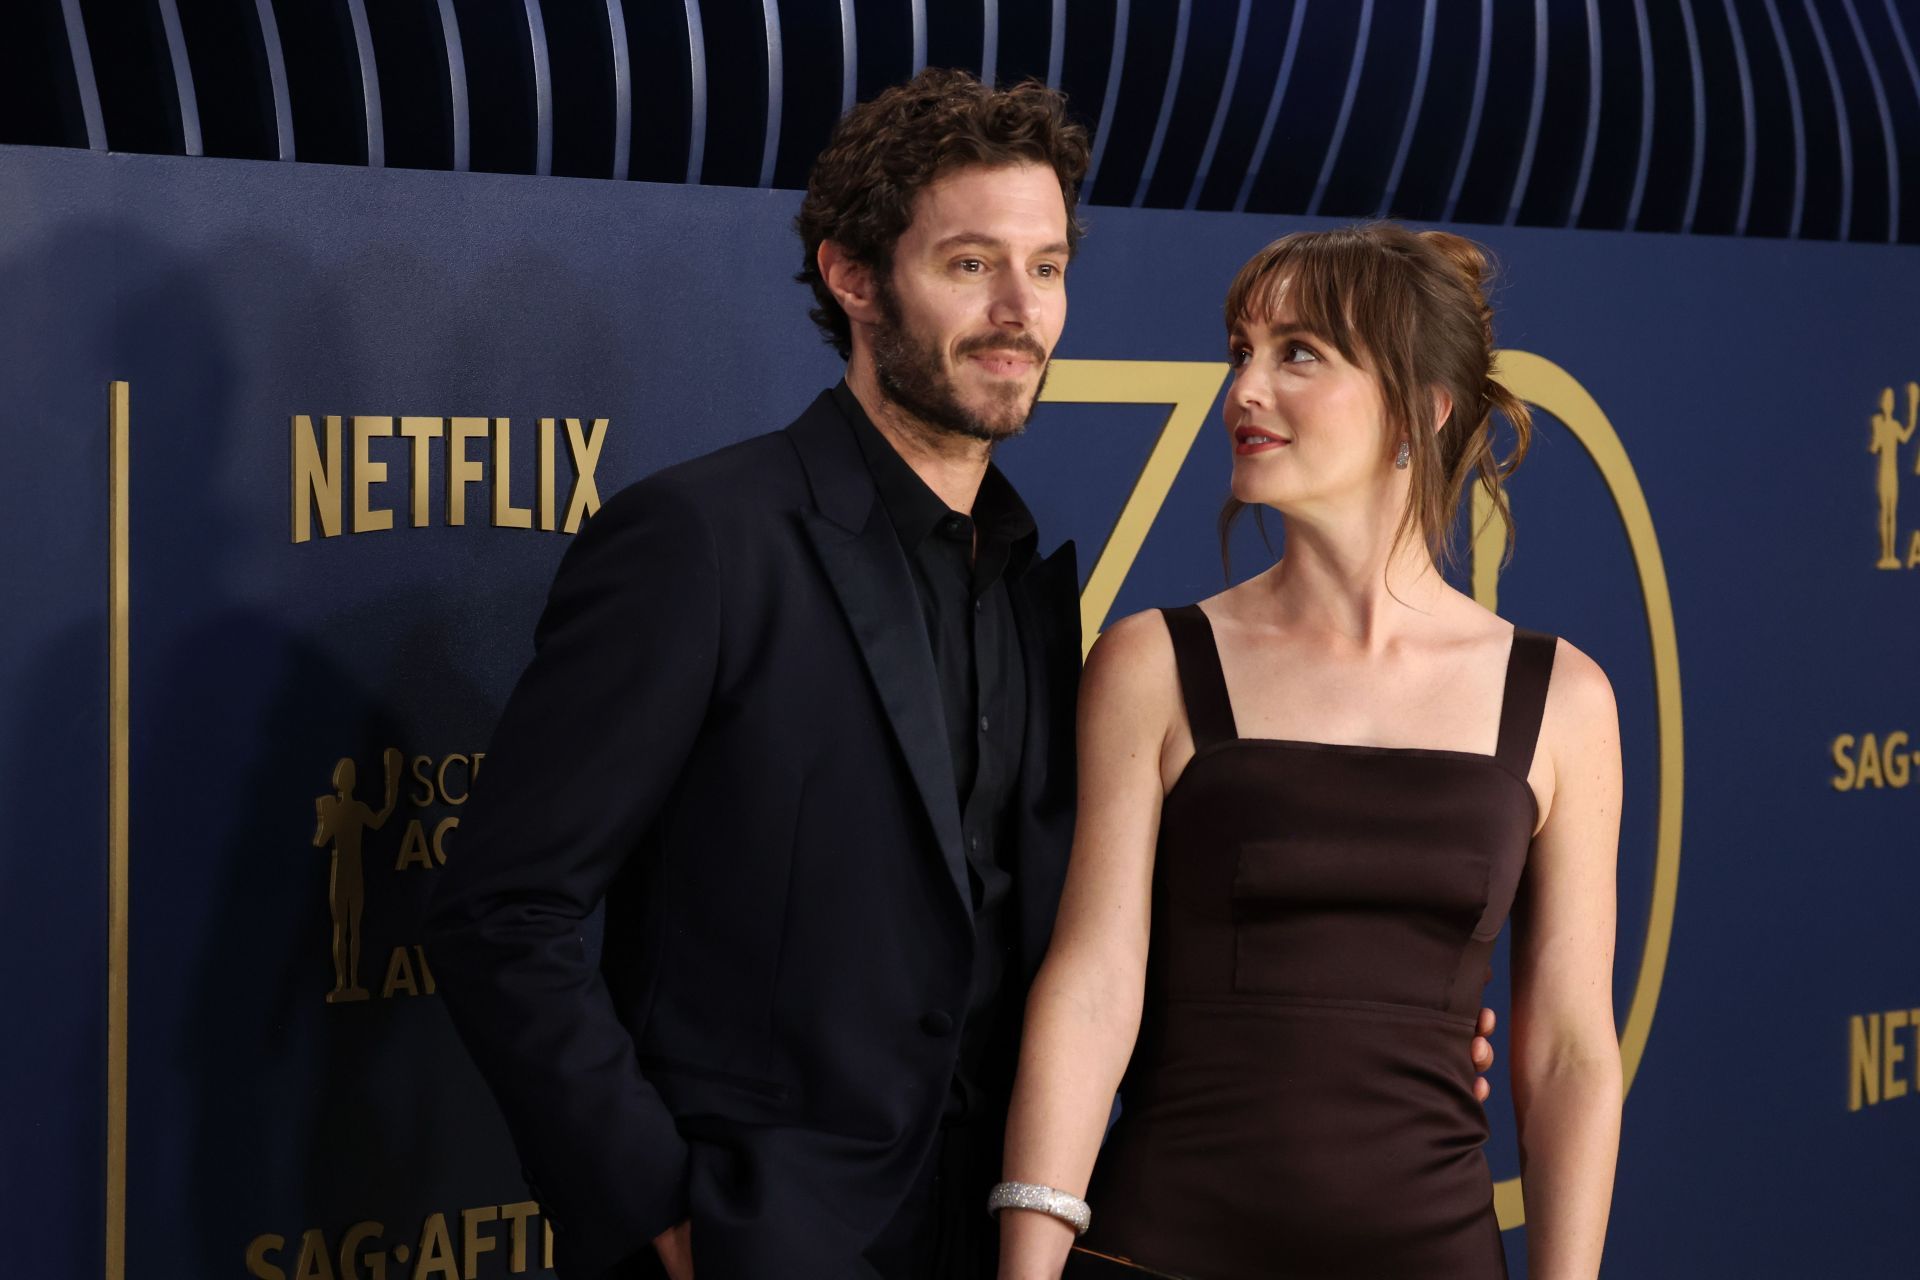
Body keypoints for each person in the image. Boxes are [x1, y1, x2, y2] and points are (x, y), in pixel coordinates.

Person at [995, 224, 1622, 1280]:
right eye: (1240, 350)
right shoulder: (1153, 660)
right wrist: (1026, 1263)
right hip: (1160, 1249)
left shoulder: (1562, 697)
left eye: (1299, 354)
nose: (1244, 389)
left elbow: (1567, 1047)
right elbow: (1093, 983)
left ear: (1420, 407)